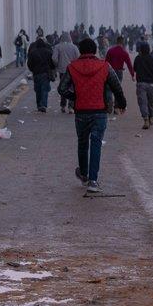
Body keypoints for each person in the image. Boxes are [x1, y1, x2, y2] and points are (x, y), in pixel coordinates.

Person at [59, 39, 126, 194]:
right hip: (99, 111)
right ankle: (93, 181)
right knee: (96, 143)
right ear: (95, 50)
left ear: (80, 51)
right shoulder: (104, 66)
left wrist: (75, 97)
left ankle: (83, 174)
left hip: (81, 111)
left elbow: (62, 89)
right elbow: (116, 86)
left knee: (82, 143)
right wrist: (121, 103)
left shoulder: (72, 67)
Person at [133, 42, 153, 129]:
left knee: (142, 102)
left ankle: (146, 120)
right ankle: (151, 116)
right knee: (151, 102)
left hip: (141, 84)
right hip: (152, 84)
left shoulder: (138, 58)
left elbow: (135, 69)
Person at [26, 35, 56, 112]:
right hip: (45, 73)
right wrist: (52, 70)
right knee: (44, 89)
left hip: (36, 73)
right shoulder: (48, 52)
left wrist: (32, 70)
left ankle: (39, 104)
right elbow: (52, 63)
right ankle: (43, 104)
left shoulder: (33, 52)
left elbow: (29, 64)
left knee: (38, 89)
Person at [53, 34, 79, 114]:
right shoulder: (74, 47)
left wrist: (57, 65)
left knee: (63, 87)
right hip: (73, 70)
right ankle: (71, 107)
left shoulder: (57, 47)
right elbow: (78, 57)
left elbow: (54, 58)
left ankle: (63, 106)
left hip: (62, 70)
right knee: (72, 88)